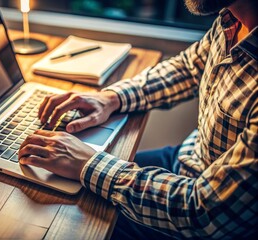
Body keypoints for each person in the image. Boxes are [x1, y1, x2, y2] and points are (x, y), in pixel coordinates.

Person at [19, 0, 257, 238]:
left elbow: (203, 211)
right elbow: (188, 68)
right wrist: (112, 98)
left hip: (201, 218)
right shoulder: (231, 18)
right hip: (190, 158)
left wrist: (88, 164)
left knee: (65, 223)